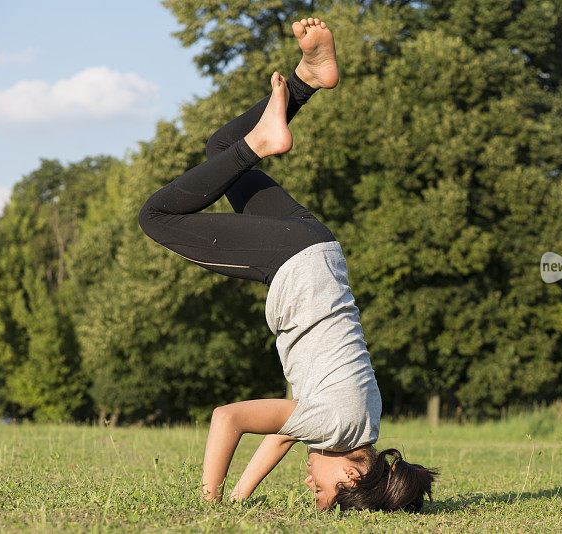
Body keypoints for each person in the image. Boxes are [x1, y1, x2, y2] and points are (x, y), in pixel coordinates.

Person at [138, 17, 437, 512]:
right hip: (291, 263)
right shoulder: (331, 426)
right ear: (352, 472)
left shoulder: (362, 423)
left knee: (222, 150)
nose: (308, 486)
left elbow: (280, 435)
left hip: (317, 248)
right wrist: (209, 504)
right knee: (157, 215)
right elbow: (226, 418)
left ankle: (307, 79)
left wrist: (238, 497)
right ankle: (263, 141)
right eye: (321, 490)